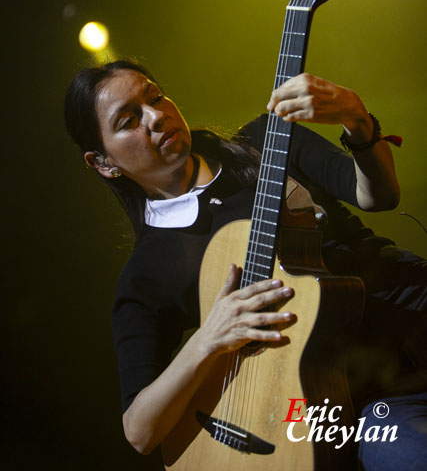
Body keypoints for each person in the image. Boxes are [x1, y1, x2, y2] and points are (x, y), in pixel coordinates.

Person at [64, 59, 427, 470]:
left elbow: (376, 196)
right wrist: (209, 338)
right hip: (361, 400)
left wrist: (356, 120)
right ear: (103, 163)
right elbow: (140, 431)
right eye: (129, 120)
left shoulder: (265, 142)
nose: (157, 115)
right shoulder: (147, 272)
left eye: (155, 96)